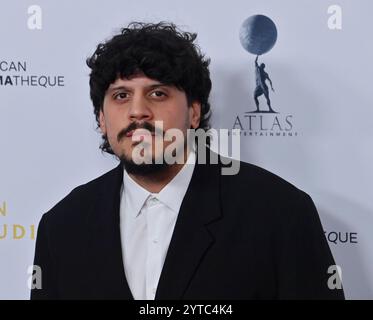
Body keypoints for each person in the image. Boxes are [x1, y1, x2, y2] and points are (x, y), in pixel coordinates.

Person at [31, 22, 344, 300]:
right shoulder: (61, 226)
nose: (138, 111)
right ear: (102, 118)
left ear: (194, 112)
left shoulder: (281, 213)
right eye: (121, 96)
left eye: (157, 94)